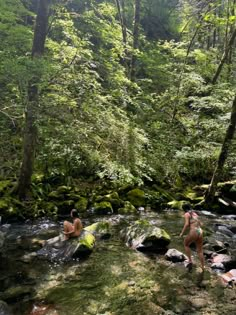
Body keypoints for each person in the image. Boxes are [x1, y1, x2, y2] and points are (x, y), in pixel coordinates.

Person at [179, 204, 204, 271]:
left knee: (186, 244)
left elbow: (187, 224)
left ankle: (190, 261)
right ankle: (202, 267)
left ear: (184, 209)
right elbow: (201, 224)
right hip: (200, 231)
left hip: (194, 231)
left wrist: (182, 233)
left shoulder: (187, 214)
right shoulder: (195, 214)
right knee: (200, 251)